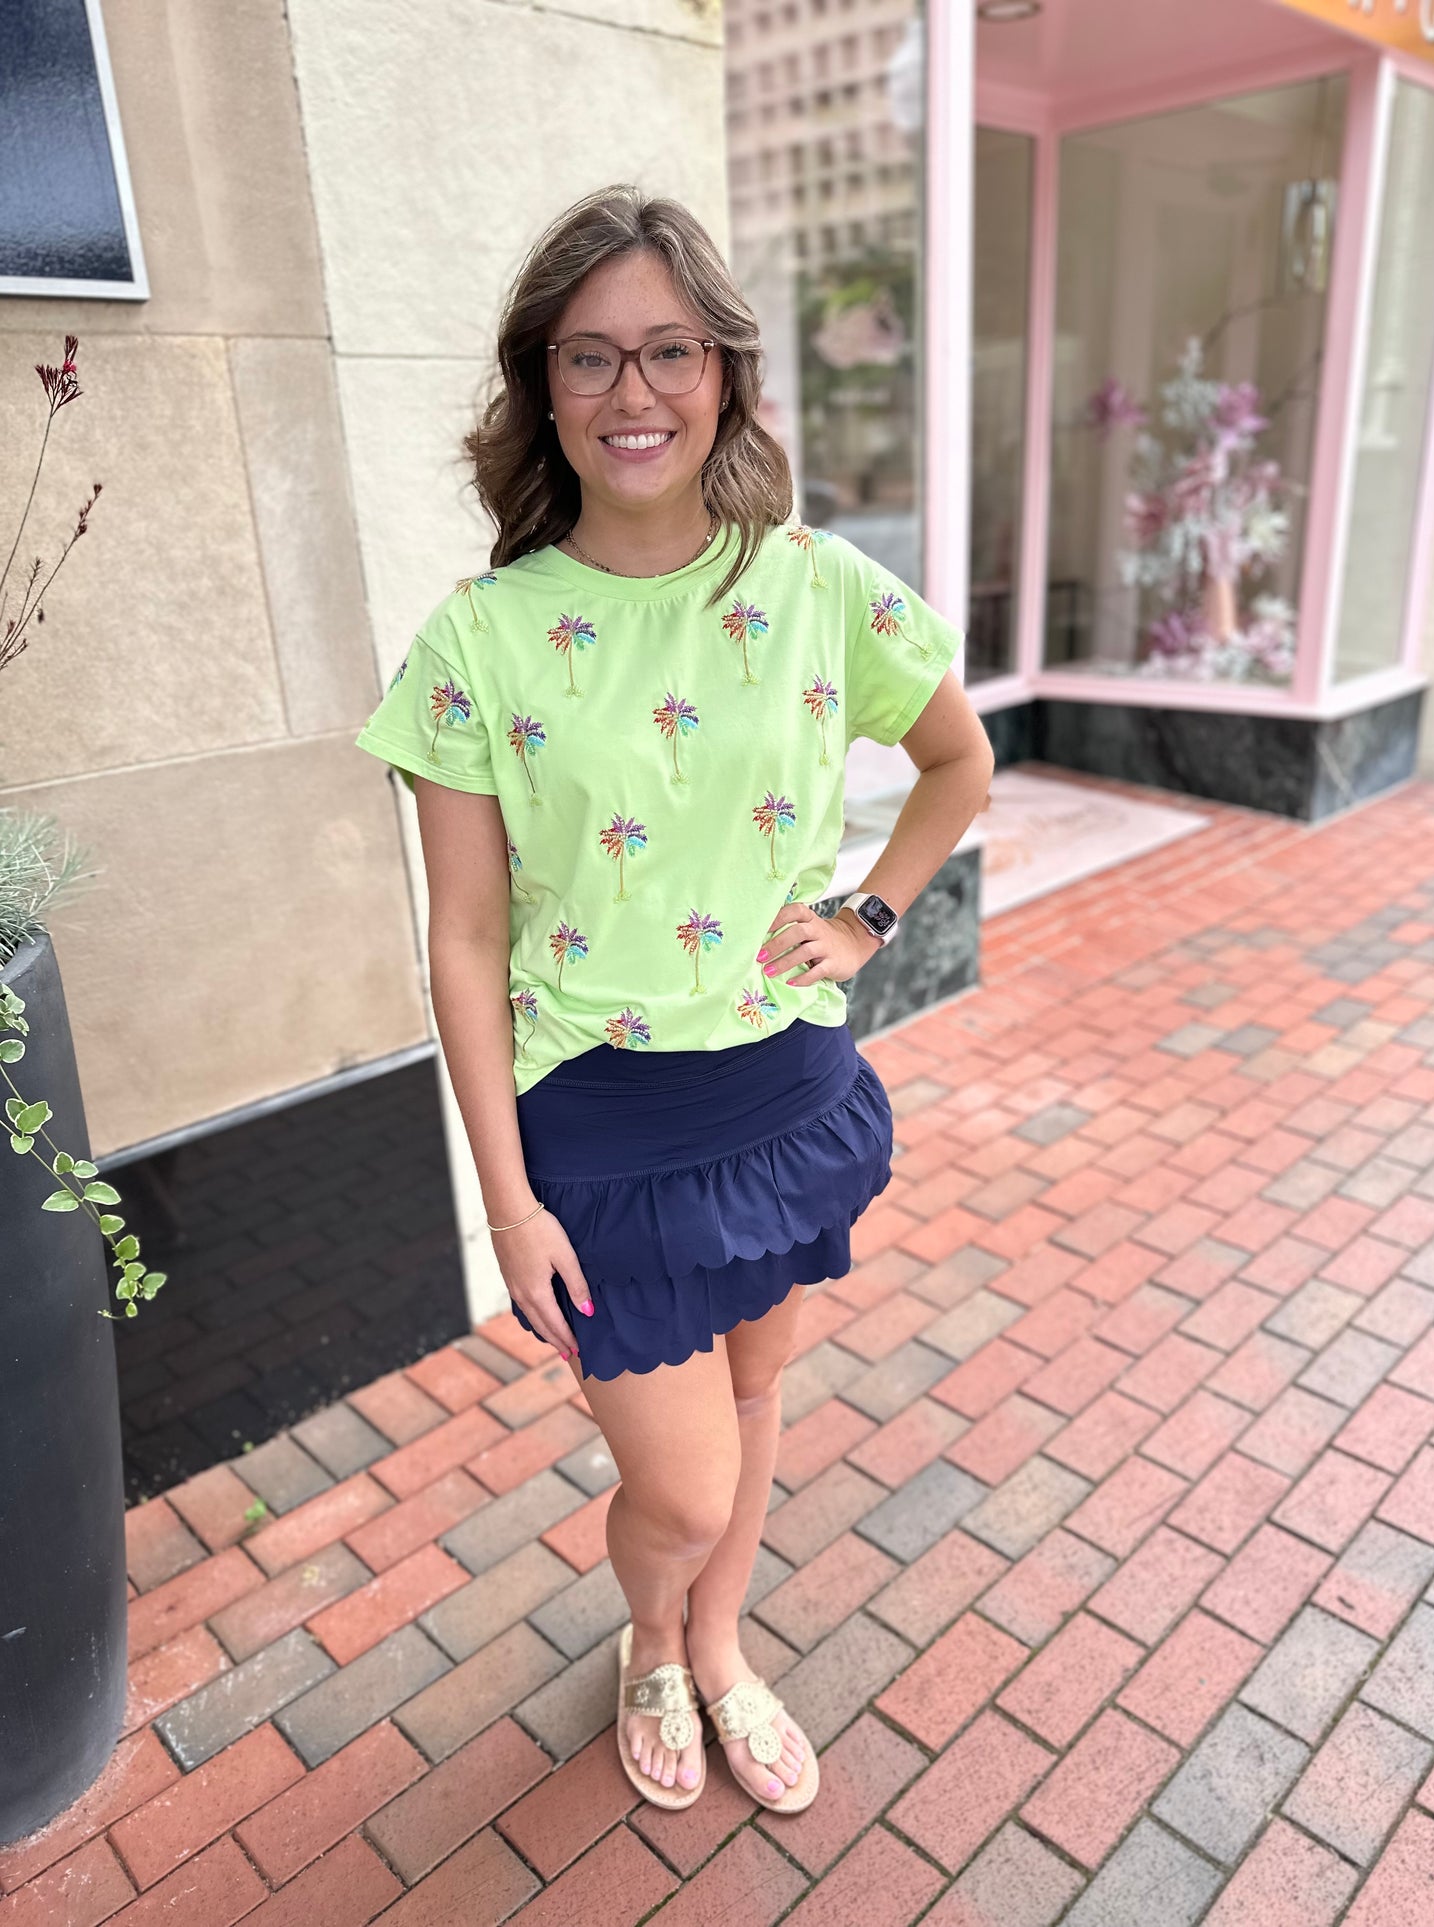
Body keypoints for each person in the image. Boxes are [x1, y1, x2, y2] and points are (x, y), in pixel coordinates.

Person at [354, 184, 994, 1815]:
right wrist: (505, 1203)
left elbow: (955, 761)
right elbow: (461, 944)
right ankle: (653, 1636)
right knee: (686, 1476)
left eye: (668, 352)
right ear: (541, 388)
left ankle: (719, 1654)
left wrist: (864, 917)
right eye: (589, 357)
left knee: (759, 1396)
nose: (631, 392)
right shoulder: (477, 643)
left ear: (722, 375)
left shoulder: (815, 588)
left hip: (781, 1088)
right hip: (598, 1117)